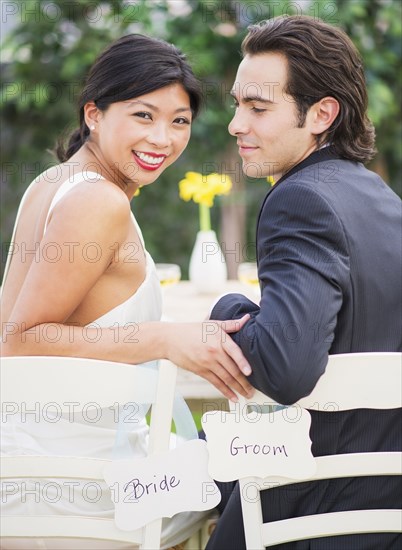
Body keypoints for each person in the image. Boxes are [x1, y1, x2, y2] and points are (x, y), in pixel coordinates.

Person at [0, 33, 254, 549]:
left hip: (36, 463)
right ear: (94, 114)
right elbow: (18, 341)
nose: (163, 138)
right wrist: (163, 338)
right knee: (249, 475)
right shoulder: (99, 201)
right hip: (72, 486)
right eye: (143, 115)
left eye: (178, 121)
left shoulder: (54, 181)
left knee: (221, 458)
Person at [206, 15, 402, 550]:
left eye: (258, 107)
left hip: (312, 509)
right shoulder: (383, 198)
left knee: (173, 465)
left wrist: (225, 306)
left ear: (321, 113)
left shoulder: (300, 200)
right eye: (237, 104)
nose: (236, 124)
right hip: (386, 503)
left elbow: (287, 369)